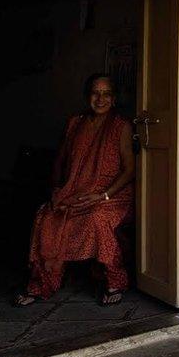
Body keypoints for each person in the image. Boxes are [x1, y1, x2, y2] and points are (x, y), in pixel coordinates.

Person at [14, 74, 135, 307]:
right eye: (95, 93)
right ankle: (42, 284)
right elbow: (59, 161)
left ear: (114, 98)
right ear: (87, 96)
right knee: (47, 217)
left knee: (98, 218)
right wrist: (56, 190)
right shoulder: (75, 123)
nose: (100, 99)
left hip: (112, 195)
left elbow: (130, 170)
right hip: (75, 191)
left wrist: (104, 194)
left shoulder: (121, 126)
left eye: (106, 93)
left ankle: (114, 281)